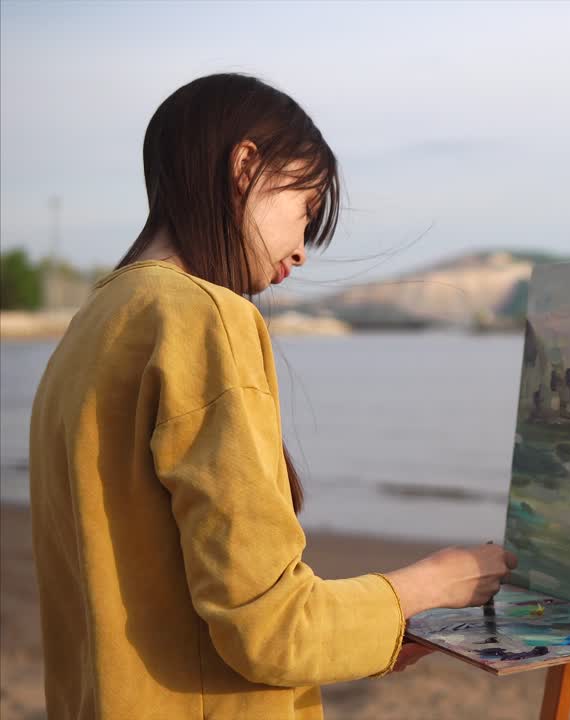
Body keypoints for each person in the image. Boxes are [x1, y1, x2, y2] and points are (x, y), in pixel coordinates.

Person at [27, 73, 516, 719]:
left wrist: (379, 631)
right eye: (306, 209)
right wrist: (434, 584)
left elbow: (177, 598)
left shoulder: (95, 323)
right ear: (245, 165)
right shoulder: (202, 317)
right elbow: (271, 631)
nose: (303, 249)